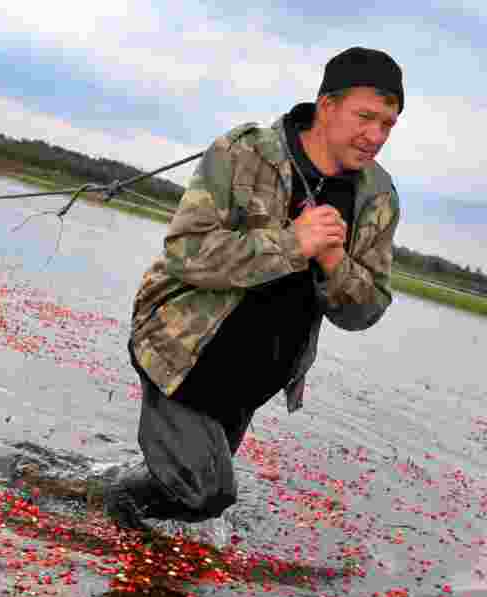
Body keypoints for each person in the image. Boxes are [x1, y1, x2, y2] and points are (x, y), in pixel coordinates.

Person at [105, 47, 404, 530]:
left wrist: (332, 261)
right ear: (327, 106)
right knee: (207, 494)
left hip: (251, 381)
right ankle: (104, 504)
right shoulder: (243, 153)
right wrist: (293, 244)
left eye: (388, 124)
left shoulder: (378, 198)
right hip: (181, 354)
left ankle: (105, 504)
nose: (376, 135)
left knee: (184, 500)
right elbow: (187, 252)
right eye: (365, 117)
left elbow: (363, 311)